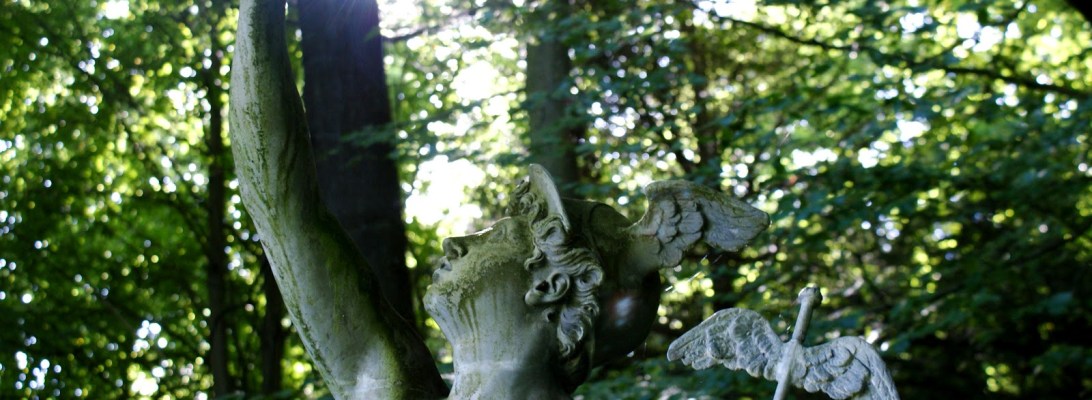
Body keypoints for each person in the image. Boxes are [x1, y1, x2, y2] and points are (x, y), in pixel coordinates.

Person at [230, 1, 768, 398]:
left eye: (500, 234)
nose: (456, 240)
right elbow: (282, 208)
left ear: (551, 284)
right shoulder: (392, 387)